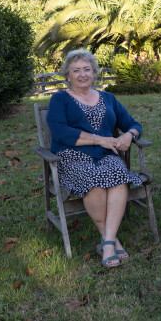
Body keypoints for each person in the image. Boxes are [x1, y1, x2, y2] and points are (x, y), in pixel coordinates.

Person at [46, 49, 143, 268]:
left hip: (107, 155)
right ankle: (112, 241)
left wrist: (129, 135)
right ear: (68, 75)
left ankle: (106, 242)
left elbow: (133, 124)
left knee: (119, 175)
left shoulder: (108, 98)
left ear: (94, 72)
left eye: (87, 69)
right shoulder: (60, 99)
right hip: (72, 157)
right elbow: (60, 132)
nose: (82, 75)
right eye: (76, 70)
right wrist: (99, 139)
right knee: (94, 180)